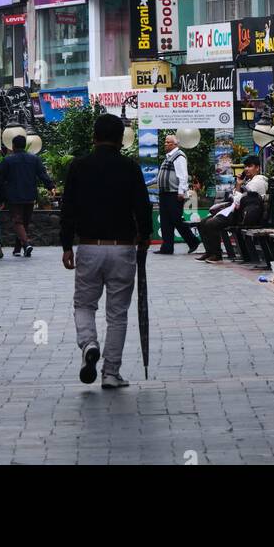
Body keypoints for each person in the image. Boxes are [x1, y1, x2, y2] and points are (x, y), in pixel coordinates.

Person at [60, 113, 152, 389]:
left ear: (94, 136)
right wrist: (144, 237)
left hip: (89, 246)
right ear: (121, 139)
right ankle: (111, 372)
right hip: (122, 248)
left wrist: (67, 245)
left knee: (84, 304)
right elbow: (142, 206)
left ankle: (89, 343)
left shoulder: (78, 166)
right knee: (117, 313)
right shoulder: (130, 167)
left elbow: (68, 210)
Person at [197, 155, 268, 262]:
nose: (247, 169)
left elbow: (238, 199)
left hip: (243, 215)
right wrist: (238, 185)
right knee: (202, 223)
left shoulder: (258, 181)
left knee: (211, 223)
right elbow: (236, 197)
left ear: (257, 168)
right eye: (246, 167)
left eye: (250, 166)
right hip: (237, 212)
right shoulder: (248, 181)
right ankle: (209, 252)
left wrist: (237, 191)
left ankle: (216, 255)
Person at [0, 133, 54, 258]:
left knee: (18, 221)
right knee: (25, 223)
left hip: (14, 196)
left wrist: (1, 196)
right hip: (30, 195)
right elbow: (42, 174)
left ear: (13, 146)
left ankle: (26, 244)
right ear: (25, 146)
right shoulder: (34, 159)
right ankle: (19, 248)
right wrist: (50, 186)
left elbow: (0, 179)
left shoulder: (7, 160)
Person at [154, 134, 200, 254]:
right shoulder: (168, 157)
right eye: (165, 142)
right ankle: (167, 247)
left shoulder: (179, 156)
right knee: (165, 221)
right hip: (165, 193)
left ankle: (193, 241)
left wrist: (181, 191)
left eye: (168, 142)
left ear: (175, 144)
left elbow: (183, 175)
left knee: (176, 219)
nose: (166, 144)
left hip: (174, 193)